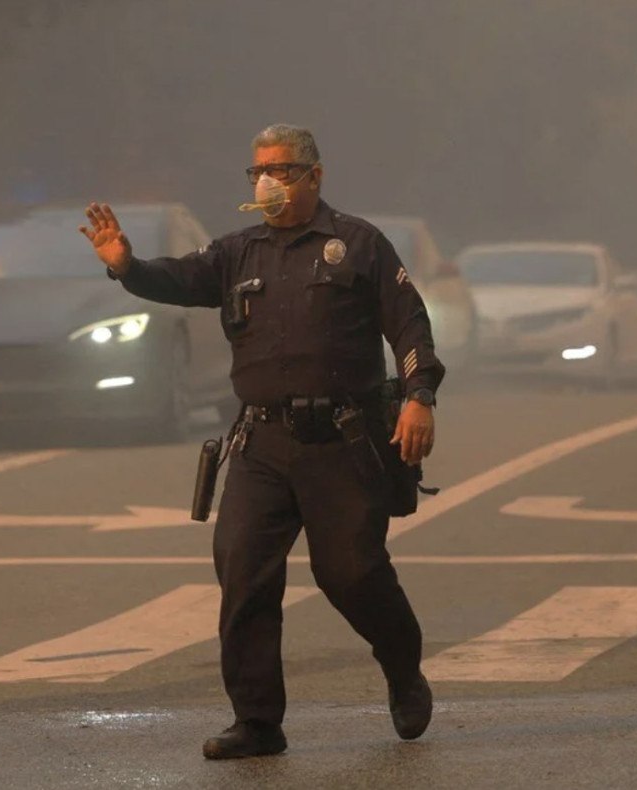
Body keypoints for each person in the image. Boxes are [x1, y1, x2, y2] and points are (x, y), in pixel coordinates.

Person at [79, 124, 443, 760]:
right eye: (257, 171)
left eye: (280, 168)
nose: (267, 181)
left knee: (351, 574)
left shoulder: (357, 245)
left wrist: (419, 398)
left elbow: (409, 325)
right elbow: (181, 279)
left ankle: (403, 670)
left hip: (341, 442)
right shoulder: (236, 253)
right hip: (262, 445)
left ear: (315, 176)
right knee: (243, 571)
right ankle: (257, 722)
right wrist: (126, 267)